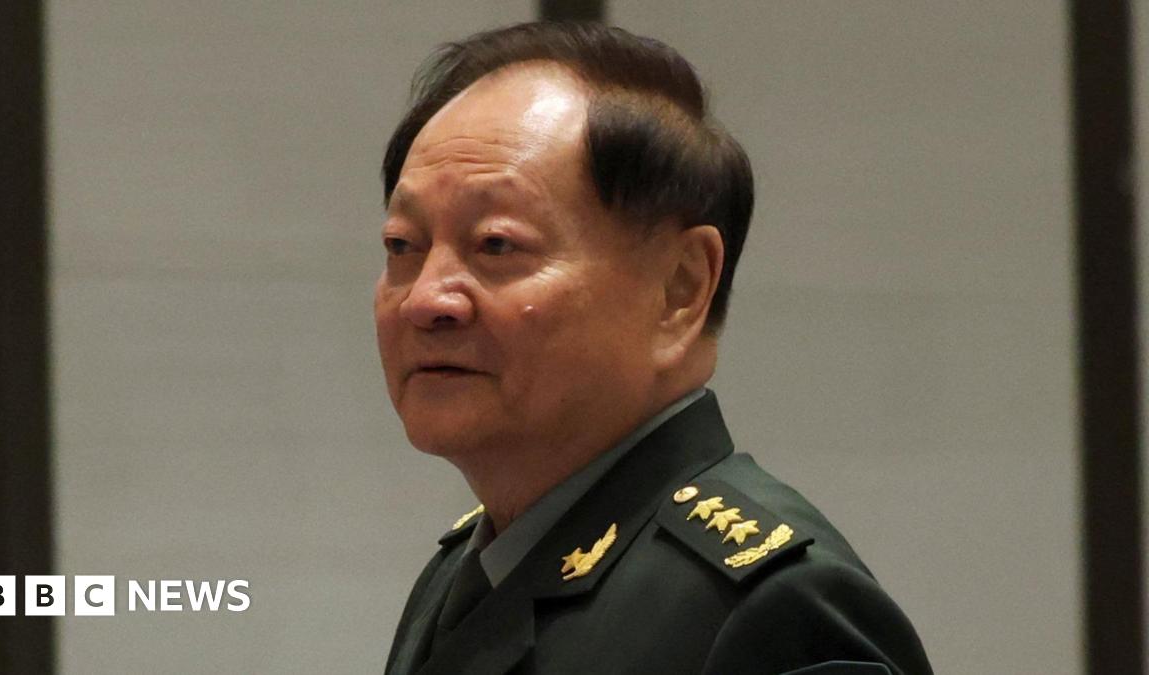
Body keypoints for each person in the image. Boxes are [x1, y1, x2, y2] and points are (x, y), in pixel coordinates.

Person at [375, 21, 932, 675]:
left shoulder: (772, 609)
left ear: (681, 287)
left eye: (496, 245)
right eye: (402, 246)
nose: (425, 299)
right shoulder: (466, 569)